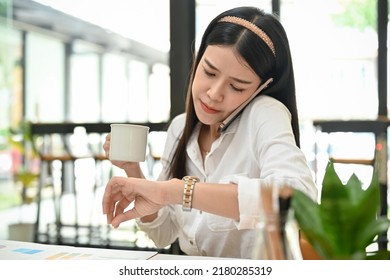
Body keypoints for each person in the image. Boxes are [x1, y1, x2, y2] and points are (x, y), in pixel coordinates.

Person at [102, 6, 317, 259]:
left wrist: (176, 191)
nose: (214, 94)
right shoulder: (180, 128)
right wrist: (133, 170)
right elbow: (164, 233)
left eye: (237, 86)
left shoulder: (265, 113)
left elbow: (297, 198)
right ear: (197, 59)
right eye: (209, 72)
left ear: (261, 88)